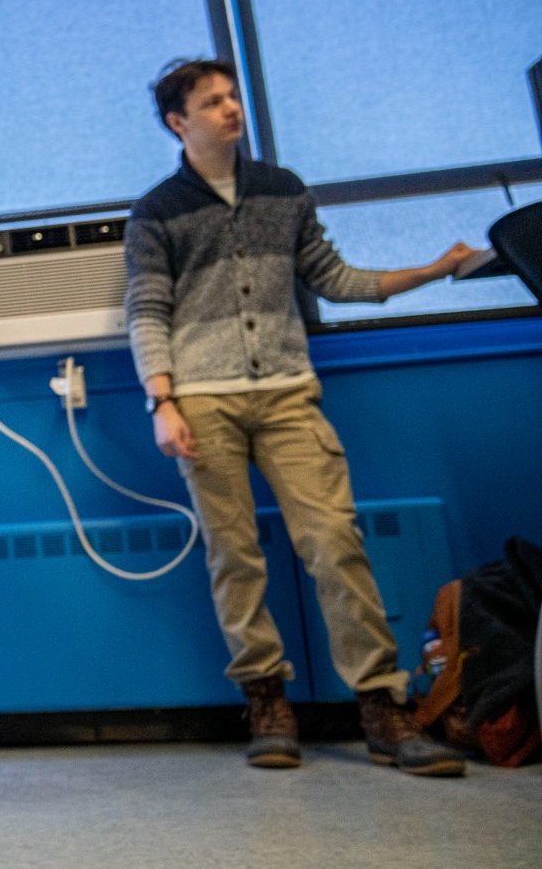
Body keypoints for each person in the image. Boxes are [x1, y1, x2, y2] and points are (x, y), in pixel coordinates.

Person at [124, 57, 475, 778]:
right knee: (234, 556)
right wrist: (163, 400)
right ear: (177, 122)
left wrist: (434, 270)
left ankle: (382, 706)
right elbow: (147, 310)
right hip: (202, 399)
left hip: (287, 392)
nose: (230, 109)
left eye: (232, 96)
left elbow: (337, 279)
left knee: (334, 543)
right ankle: (266, 701)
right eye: (212, 102)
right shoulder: (156, 211)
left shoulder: (283, 191)